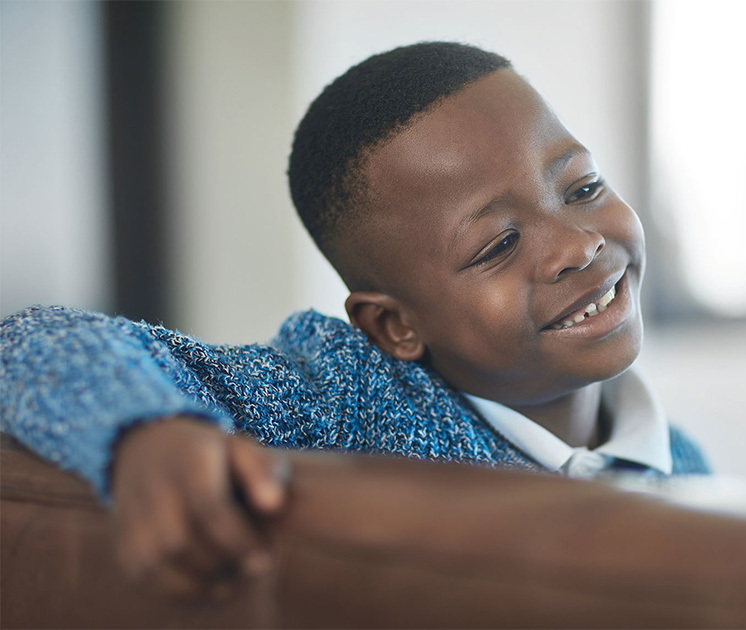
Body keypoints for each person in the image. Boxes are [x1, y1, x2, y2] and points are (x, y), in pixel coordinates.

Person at [0, 41, 708, 599]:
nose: (578, 244)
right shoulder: (347, 398)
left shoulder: (687, 468)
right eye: (497, 244)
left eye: (582, 187)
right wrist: (144, 434)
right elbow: (27, 342)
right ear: (392, 327)